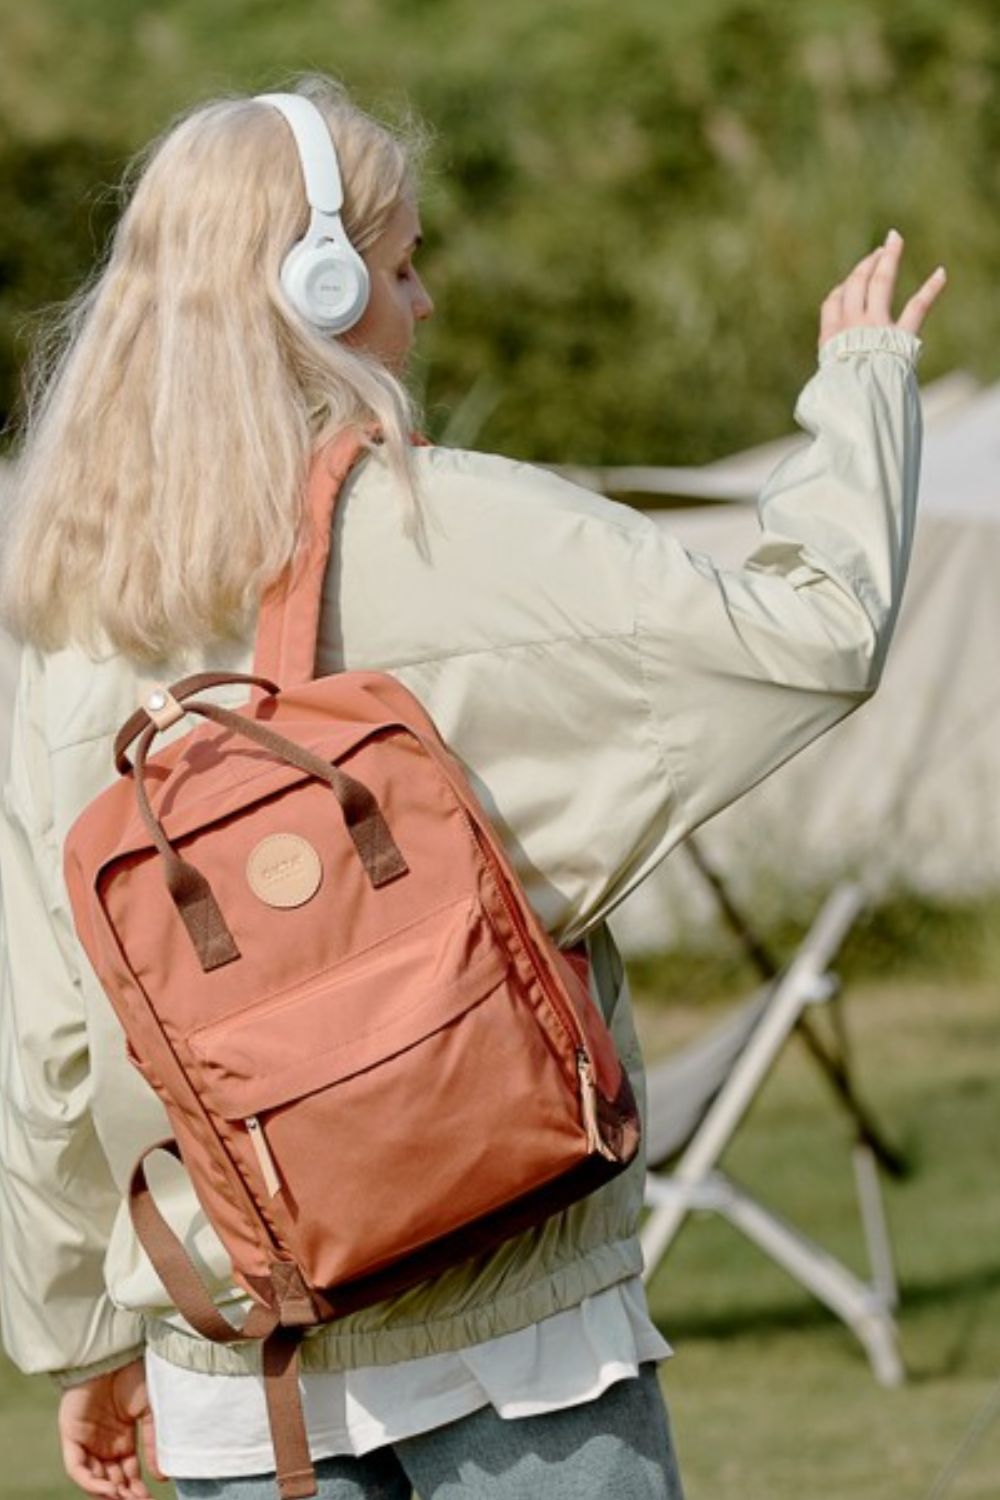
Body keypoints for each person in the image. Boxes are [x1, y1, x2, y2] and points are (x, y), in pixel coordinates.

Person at [0, 72, 945, 1500]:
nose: (422, 302)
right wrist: (863, 385)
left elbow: (48, 1038)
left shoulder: (79, 617)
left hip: (241, 1386)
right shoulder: (460, 526)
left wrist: (82, 1336)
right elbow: (809, 639)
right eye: (399, 263)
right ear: (316, 290)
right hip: (522, 1349)